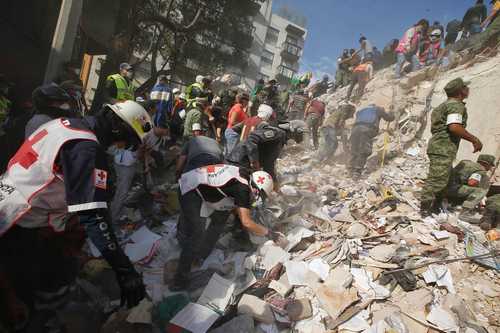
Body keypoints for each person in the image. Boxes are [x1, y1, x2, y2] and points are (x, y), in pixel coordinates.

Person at [0, 101, 149, 328]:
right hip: (20, 223)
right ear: (118, 128)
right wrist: (124, 270)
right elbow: (93, 215)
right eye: (127, 142)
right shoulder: (87, 148)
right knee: (21, 301)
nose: (122, 147)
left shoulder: (65, 124)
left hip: (11, 202)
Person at [172, 135, 284, 290]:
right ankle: (179, 280)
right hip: (189, 189)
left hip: (200, 186)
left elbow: (231, 201)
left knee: (219, 221)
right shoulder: (243, 189)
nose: (258, 199)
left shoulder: (244, 175)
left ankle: (201, 255)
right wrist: (270, 234)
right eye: (261, 195)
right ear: (257, 189)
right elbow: (246, 222)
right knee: (196, 233)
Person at [420, 78, 483, 216]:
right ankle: (424, 210)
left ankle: (436, 207)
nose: (468, 89)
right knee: (437, 180)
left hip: (440, 146)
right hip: (443, 147)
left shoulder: (443, 106)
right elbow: (454, 127)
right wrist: (474, 139)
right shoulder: (456, 105)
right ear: (461, 91)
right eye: (465, 87)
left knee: (444, 179)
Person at [227, 120, 305, 183]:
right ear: (294, 131)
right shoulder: (276, 133)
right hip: (239, 161)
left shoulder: (280, 139)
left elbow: (269, 165)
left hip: (244, 165)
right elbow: (252, 138)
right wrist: (254, 161)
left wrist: (274, 183)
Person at [349, 105, 395, 179]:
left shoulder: (360, 111)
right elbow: (389, 118)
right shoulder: (378, 109)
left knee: (354, 150)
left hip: (355, 129)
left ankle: (350, 170)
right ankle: (357, 172)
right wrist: (392, 112)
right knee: (364, 150)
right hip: (367, 129)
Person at [447, 154, 496, 219]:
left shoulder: (466, 162)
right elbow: (472, 182)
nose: (489, 168)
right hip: (453, 189)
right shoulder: (480, 170)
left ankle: (453, 205)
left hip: (444, 186)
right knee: (481, 190)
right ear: (486, 164)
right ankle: (465, 213)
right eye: (490, 166)